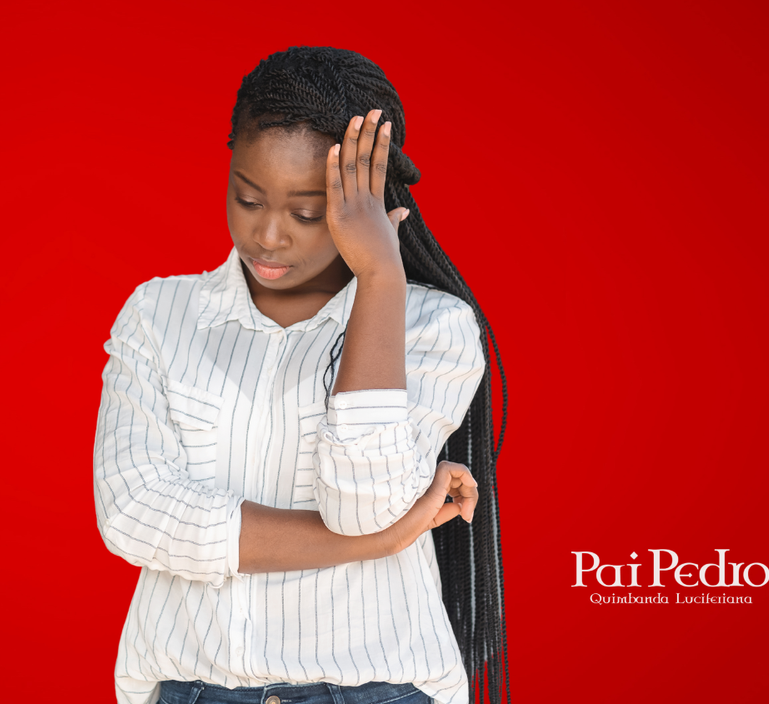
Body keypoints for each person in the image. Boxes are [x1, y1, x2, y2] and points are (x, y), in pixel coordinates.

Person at [93, 47, 509, 704]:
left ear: (368, 200)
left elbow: (360, 505)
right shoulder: (160, 313)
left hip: (378, 691)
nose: (268, 236)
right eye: (248, 198)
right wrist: (390, 538)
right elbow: (135, 516)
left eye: (308, 212)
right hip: (193, 690)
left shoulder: (433, 329)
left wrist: (379, 279)